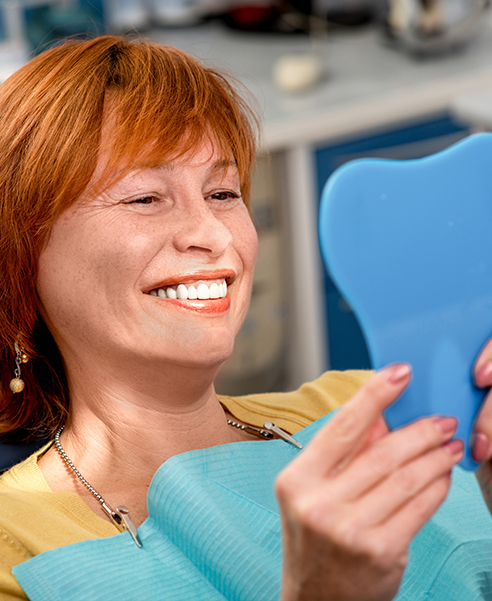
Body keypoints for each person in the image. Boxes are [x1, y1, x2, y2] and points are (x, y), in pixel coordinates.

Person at [0, 35, 491, 601]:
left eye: (223, 192)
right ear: (21, 259)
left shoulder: (373, 408)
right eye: (144, 198)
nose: (213, 235)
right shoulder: (17, 549)